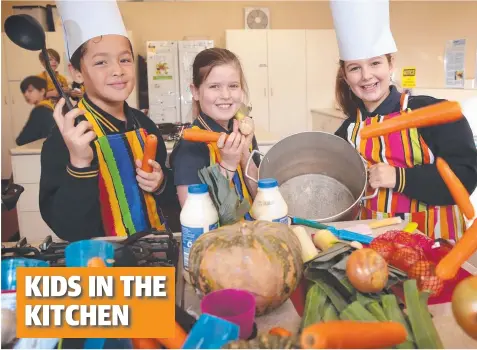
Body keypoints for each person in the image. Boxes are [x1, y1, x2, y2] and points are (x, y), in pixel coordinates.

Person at [330, 0, 477, 241]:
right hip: (373, 253)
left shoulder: (435, 113)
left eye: (375, 63)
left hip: (435, 246)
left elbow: (466, 178)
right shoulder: (346, 132)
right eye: (355, 68)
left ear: (391, 64)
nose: (366, 76)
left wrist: (399, 178)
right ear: (346, 77)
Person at [39, 0, 174, 242]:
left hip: (155, 250)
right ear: (76, 72)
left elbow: (172, 196)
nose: (117, 70)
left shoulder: (144, 124)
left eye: (125, 59)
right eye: (101, 62)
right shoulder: (67, 136)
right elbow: (66, 227)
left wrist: (161, 182)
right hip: (100, 263)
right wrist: (80, 162)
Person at [170, 48, 261, 214]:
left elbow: (261, 199)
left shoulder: (243, 133)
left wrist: (244, 155)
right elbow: (195, 216)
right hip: (216, 239)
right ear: (196, 91)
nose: (226, 95)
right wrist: (227, 165)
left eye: (233, 86)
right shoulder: (190, 147)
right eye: (214, 86)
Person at [16, 76, 55, 146]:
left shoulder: (40, 111)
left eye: (30, 91)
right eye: (24, 92)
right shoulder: (50, 108)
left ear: (42, 91)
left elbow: (22, 140)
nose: (26, 94)